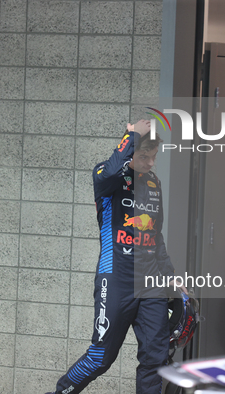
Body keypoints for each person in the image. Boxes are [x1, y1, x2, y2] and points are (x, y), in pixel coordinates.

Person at [46, 120, 180, 394]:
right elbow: (107, 174)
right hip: (116, 278)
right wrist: (131, 135)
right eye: (144, 156)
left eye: (155, 156)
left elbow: (157, 236)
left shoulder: (154, 183)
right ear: (129, 150)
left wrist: (171, 278)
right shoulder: (108, 175)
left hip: (151, 281)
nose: (151, 163)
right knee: (101, 357)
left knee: (155, 358)